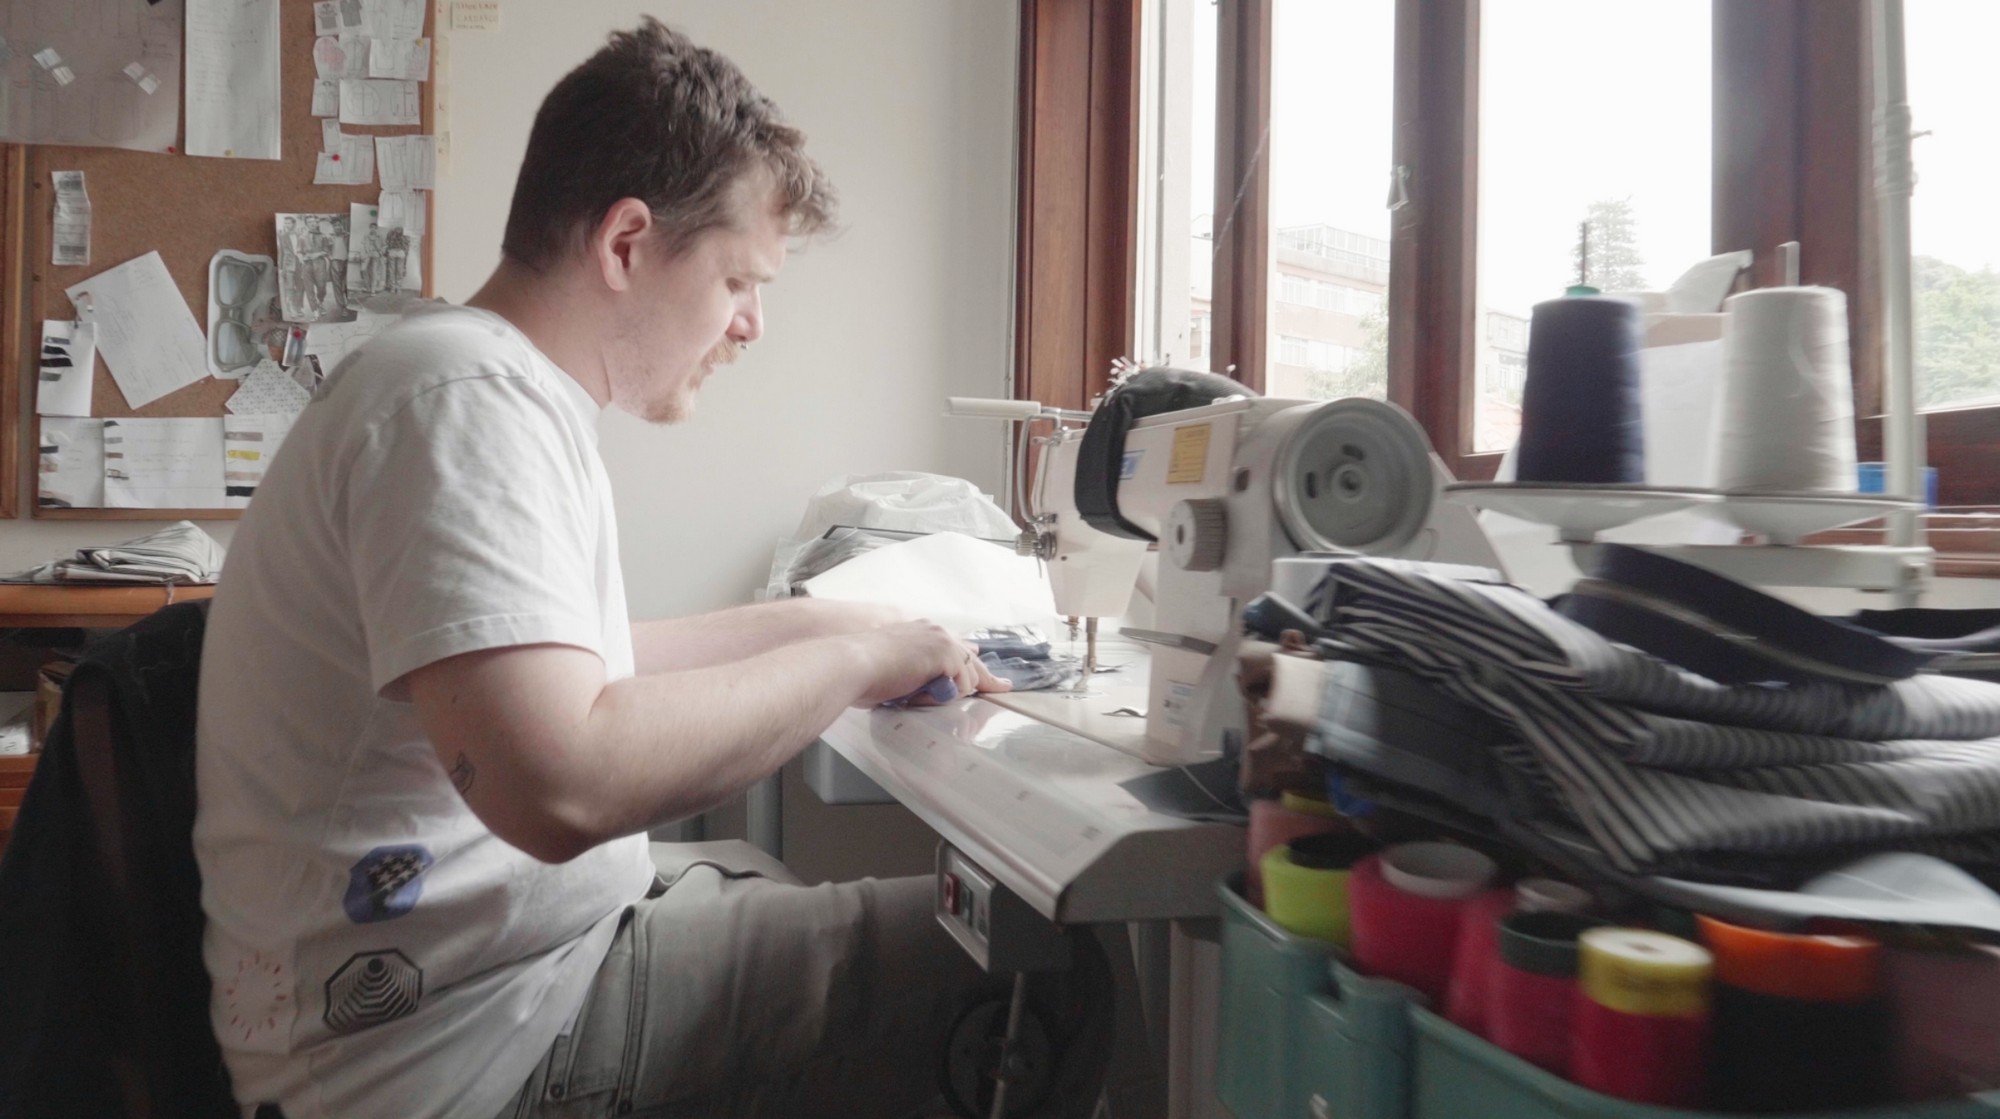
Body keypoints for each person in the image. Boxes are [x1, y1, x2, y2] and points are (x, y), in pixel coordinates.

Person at [194, 20, 1036, 1119]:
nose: (751, 325)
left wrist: (854, 630)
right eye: (740, 279)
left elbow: (599, 672)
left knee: (795, 888)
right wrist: (853, 662)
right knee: (1031, 974)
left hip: (491, 988)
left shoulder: (468, 384)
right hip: (458, 1056)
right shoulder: (465, 404)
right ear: (627, 243)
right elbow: (563, 780)